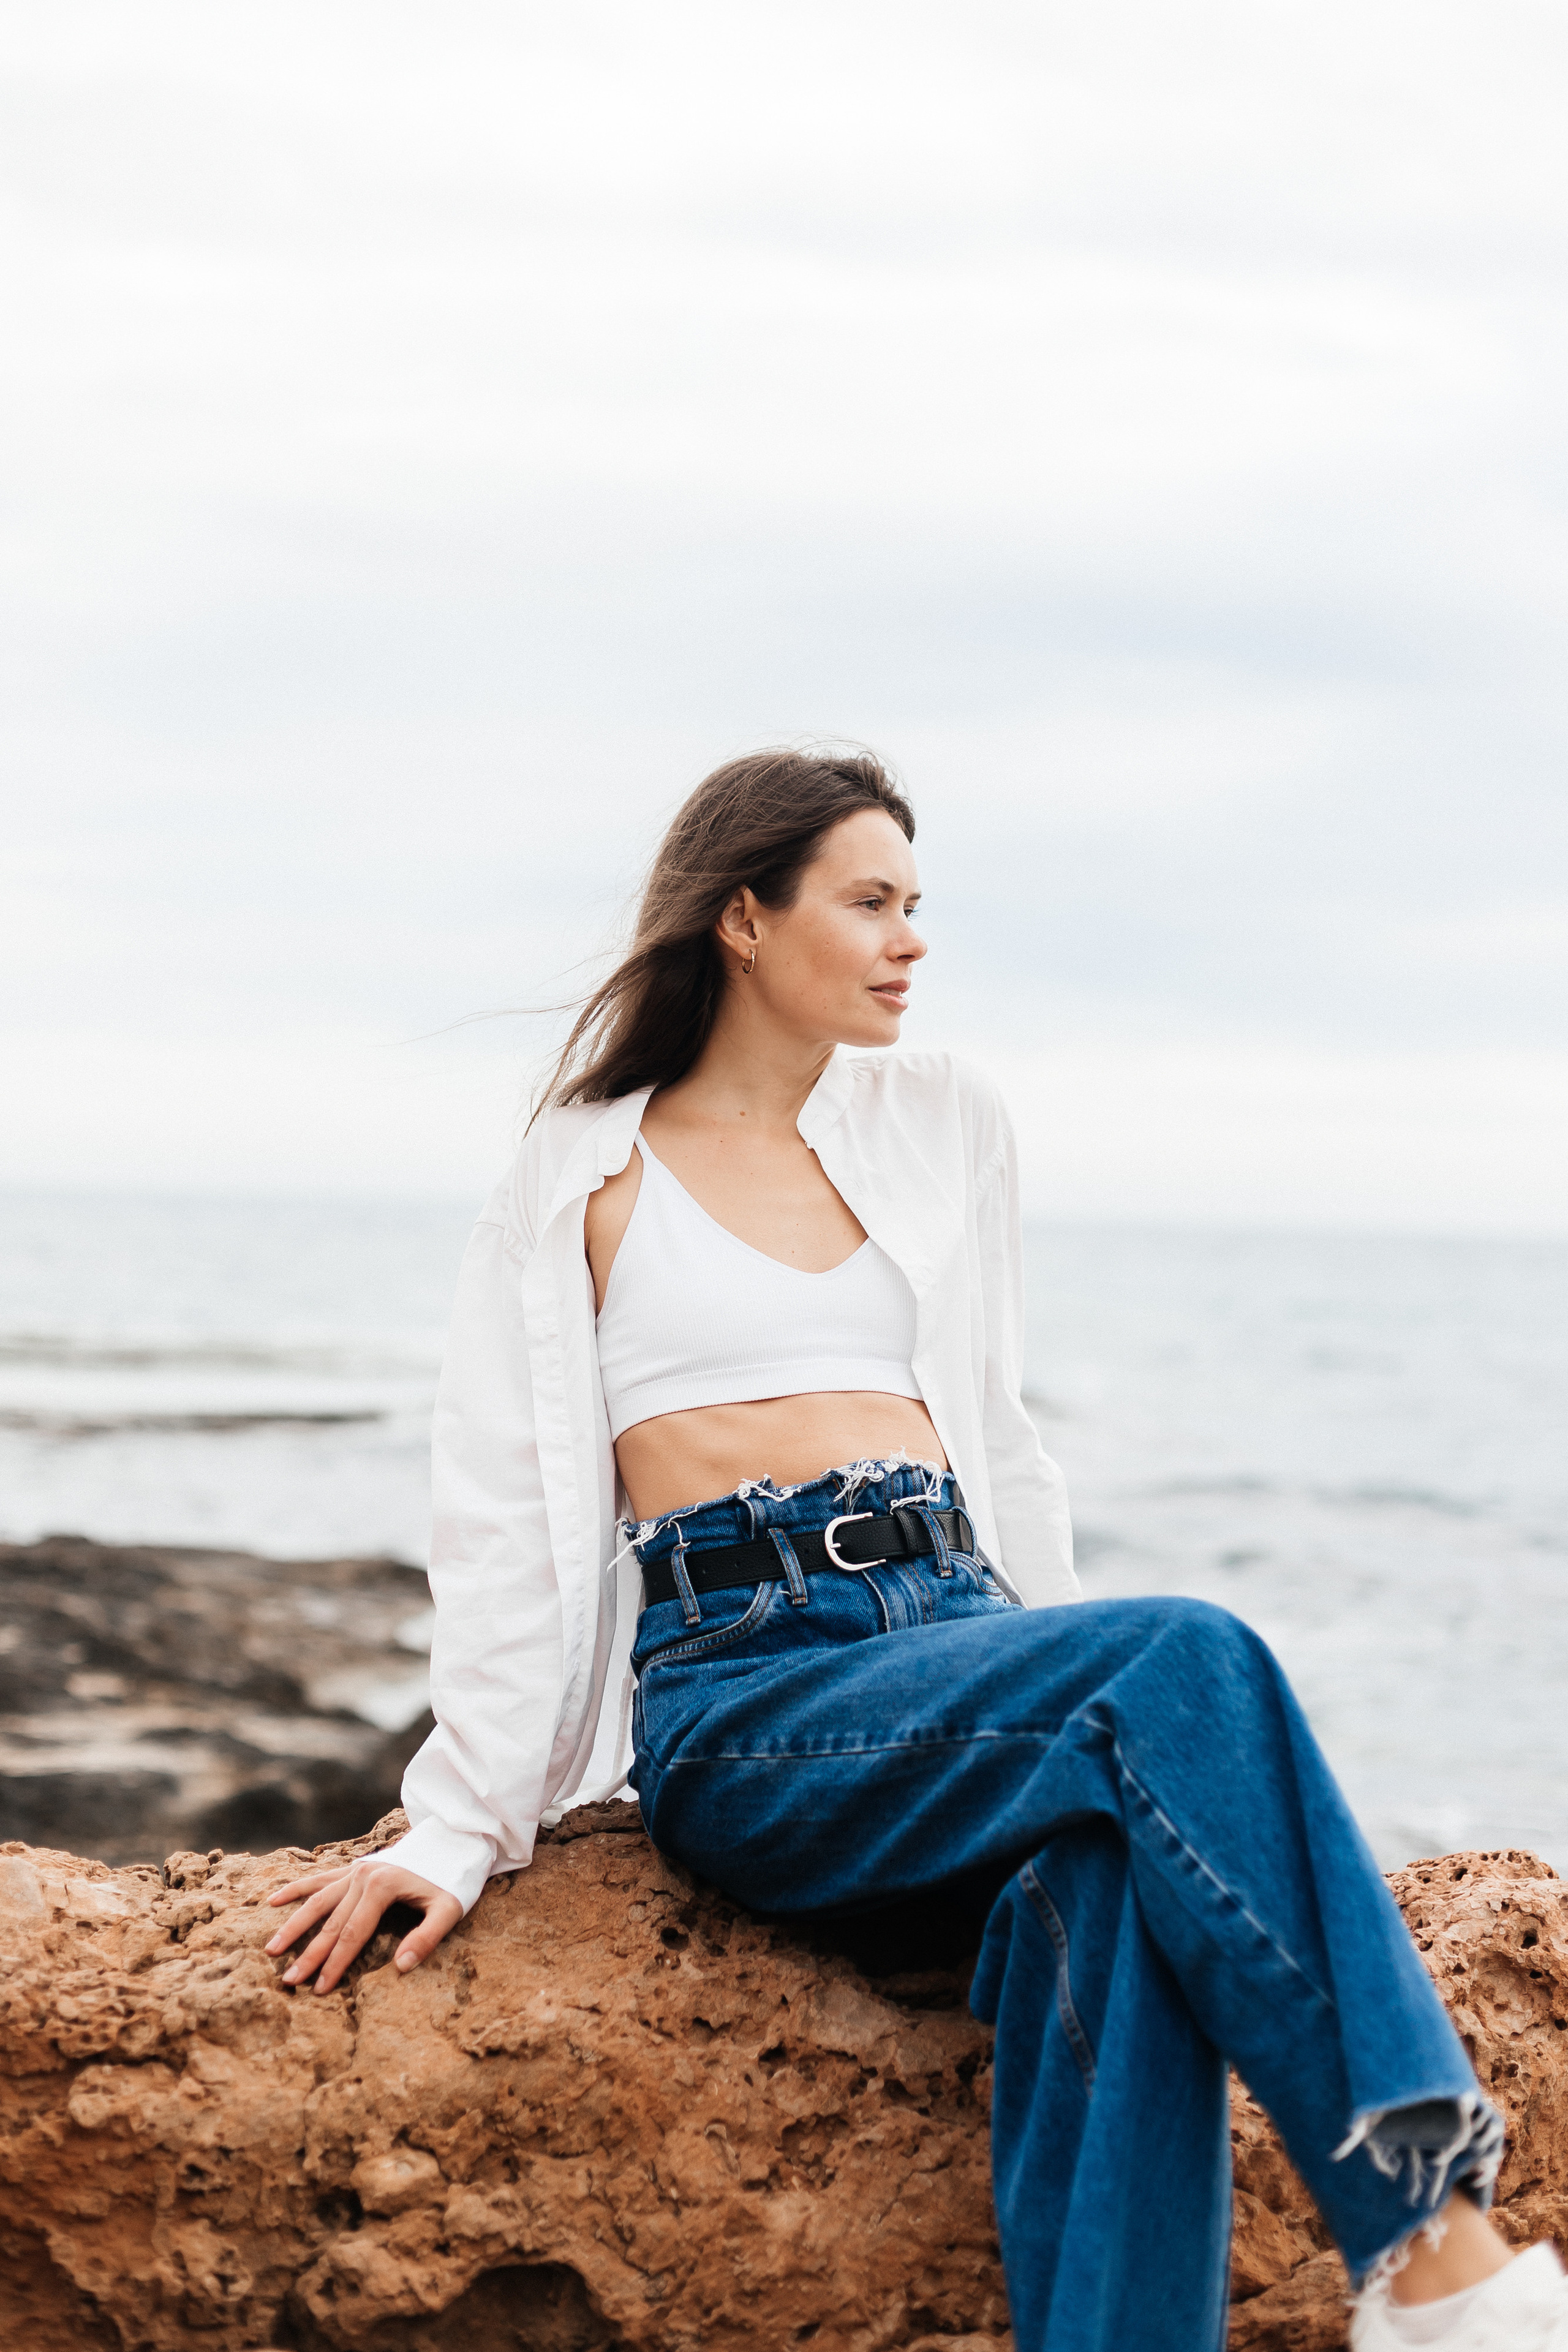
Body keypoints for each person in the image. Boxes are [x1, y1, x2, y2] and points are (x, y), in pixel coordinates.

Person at [266, 748, 1564, 2350]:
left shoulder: (944, 1122)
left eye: (916, 905)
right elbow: (503, 1511)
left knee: (1107, 1875)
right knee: (1190, 1654)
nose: (909, 940)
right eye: (870, 902)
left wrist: (1112, 1738)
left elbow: (1000, 1440)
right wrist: (455, 1825)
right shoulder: (579, 1173)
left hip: (956, 1632)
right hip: (754, 1699)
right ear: (745, 916)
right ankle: (1428, 2243)